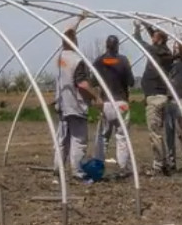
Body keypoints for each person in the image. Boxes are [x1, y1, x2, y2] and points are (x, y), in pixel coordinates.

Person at [54, 12, 99, 180]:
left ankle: (58, 168)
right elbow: (82, 83)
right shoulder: (77, 60)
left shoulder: (60, 57)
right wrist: (96, 96)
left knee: (62, 139)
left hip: (62, 104)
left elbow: (68, 32)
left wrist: (78, 20)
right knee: (78, 139)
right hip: (76, 105)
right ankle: (77, 171)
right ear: (75, 42)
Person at [133, 20, 174, 175]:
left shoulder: (154, 51)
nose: (152, 39)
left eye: (154, 38)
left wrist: (137, 28)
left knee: (154, 133)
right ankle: (164, 162)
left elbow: (138, 40)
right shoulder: (166, 52)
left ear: (160, 40)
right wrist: (147, 26)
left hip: (154, 98)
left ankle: (158, 165)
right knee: (158, 132)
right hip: (162, 96)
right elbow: (157, 38)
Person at [92, 34, 135, 179]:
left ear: (106, 45)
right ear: (117, 46)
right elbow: (131, 82)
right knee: (122, 136)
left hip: (106, 103)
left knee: (103, 137)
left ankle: (98, 167)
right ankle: (123, 168)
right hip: (121, 103)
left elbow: (93, 82)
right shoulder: (123, 60)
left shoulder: (99, 61)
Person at [165, 35, 182, 171]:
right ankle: (171, 161)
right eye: (174, 46)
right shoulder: (170, 62)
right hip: (168, 99)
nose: (175, 48)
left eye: (177, 46)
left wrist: (179, 39)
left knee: (181, 131)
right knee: (169, 132)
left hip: (179, 98)